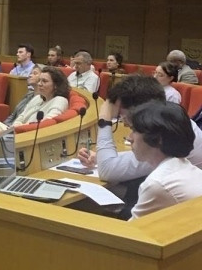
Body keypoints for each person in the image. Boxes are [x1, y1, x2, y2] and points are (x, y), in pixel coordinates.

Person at [78, 75, 202, 218]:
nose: (126, 128)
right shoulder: (175, 128)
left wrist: (104, 121)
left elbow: (108, 170)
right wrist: (99, 158)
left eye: (123, 115)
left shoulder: (157, 179)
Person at [125, 101, 202, 219]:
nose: (129, 138)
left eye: (134, 131)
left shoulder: (157, 183)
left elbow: (131, 229)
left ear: (158, 139)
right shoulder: (184, 167)